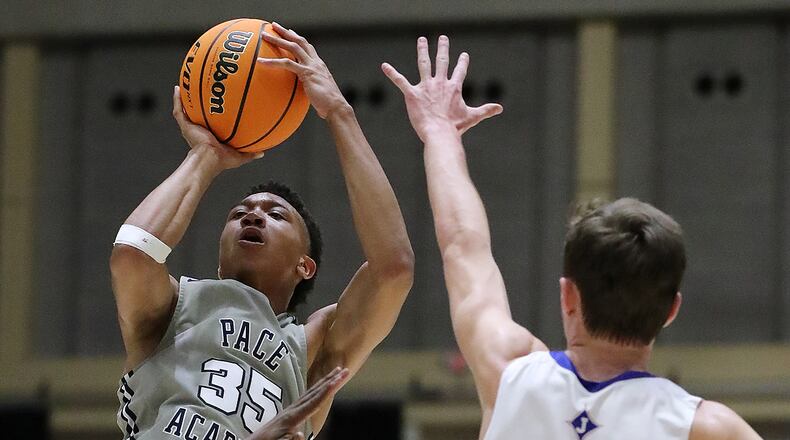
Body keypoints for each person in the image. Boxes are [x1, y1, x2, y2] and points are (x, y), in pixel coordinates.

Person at [383, 35, 762, 439]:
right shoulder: (706, 427)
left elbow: (463, 245)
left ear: (567, 296)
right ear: (671, 309)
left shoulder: (508, 371)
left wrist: (440, 132)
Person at [111, 22, 414, 440]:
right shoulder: (177, 306)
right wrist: (206, 156)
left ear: (305, 265)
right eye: (239, 212)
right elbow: (133, 252)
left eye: (276, 215)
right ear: (219, 262)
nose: (253, 215)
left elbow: (393, 269)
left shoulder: (311, 348)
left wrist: (340, 113)